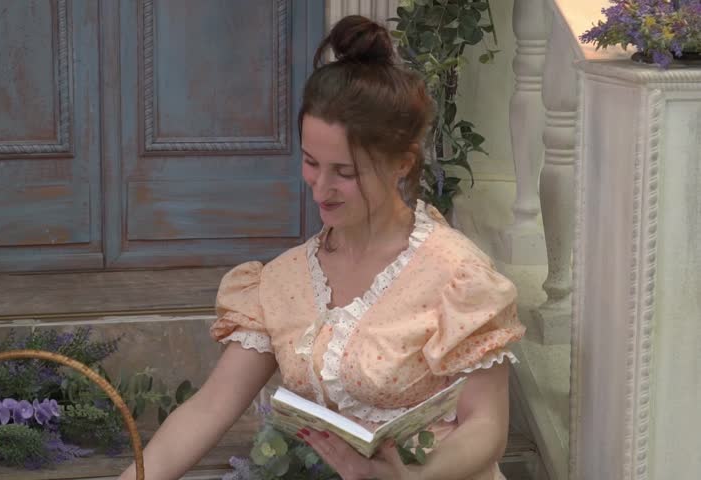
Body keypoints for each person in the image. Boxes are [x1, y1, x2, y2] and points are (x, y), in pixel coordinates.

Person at [119, 15, 525, 480]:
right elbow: (208, 409)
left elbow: (488, 426)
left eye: (345, 172)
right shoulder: (282, 282)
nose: (321, 188)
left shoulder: (457, 276)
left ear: (402, 164)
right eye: (311, 163)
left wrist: (410, 479)